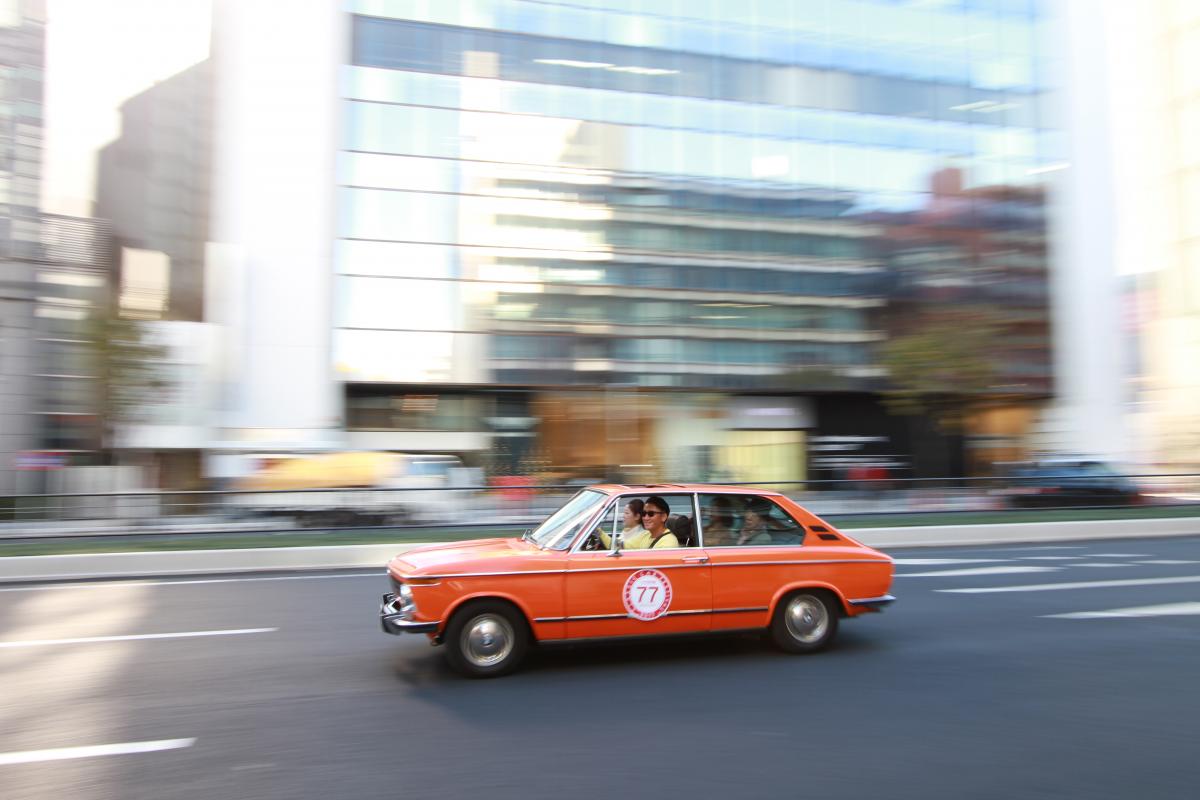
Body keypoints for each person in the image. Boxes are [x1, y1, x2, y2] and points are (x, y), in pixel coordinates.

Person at [600, 495, 679, 550]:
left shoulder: (668, 543)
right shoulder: (645, 535)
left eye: (651, 514)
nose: (645, 518)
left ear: (663, 517)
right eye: (644, 514)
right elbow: (619, 546)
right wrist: (598, 531)